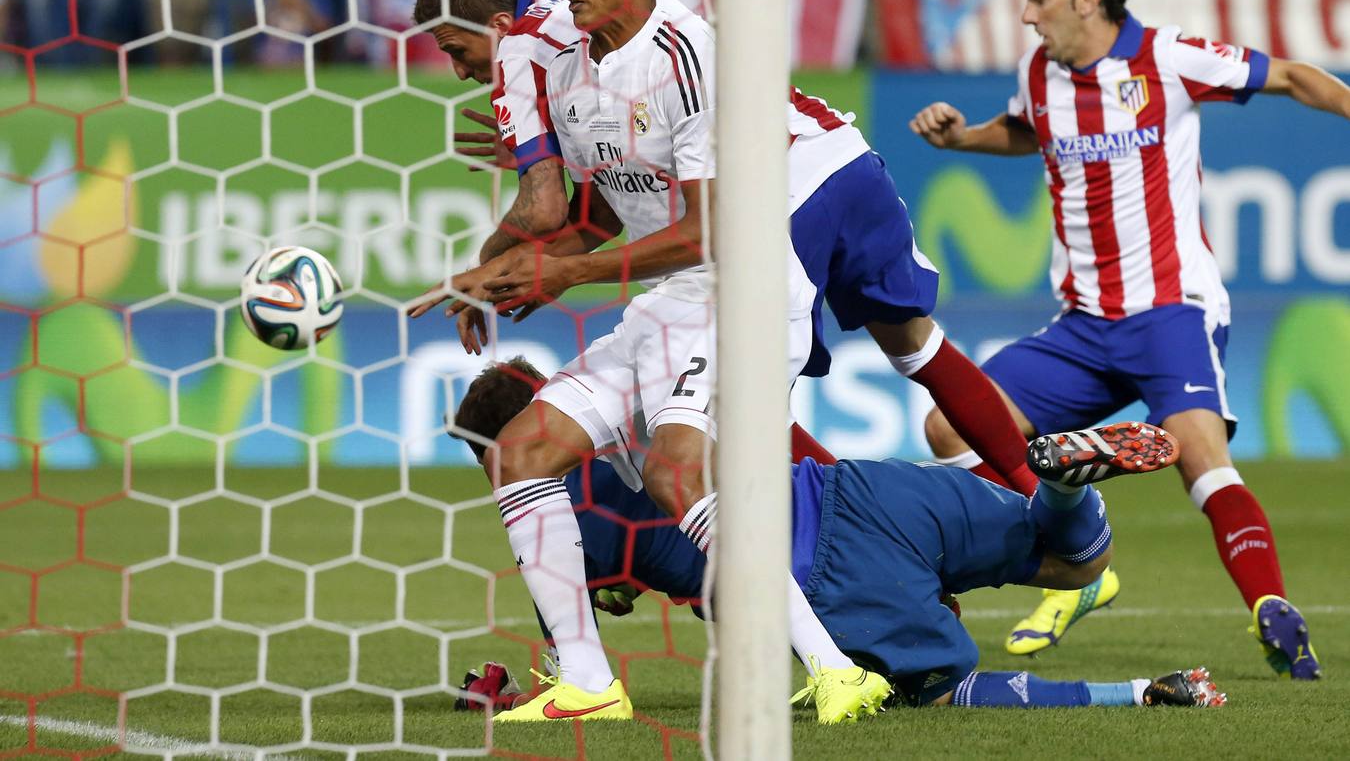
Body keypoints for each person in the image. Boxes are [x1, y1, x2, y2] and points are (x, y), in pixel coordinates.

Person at [410, 0, 892, 725]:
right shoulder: (568, 64)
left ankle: (837, 671)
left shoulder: (688, 55)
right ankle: (588, 684)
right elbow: (608, 209)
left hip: (743, 295)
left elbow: (710, 230)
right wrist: (506, 269)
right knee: (521, 452)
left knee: (674, 472)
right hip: (669, 304)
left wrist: (569, 272)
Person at [910, 0, 1347, 678]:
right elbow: (1025, 130)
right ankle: (1081, 558)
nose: (1026, 14)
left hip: (1172, 311)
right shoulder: (1039, 71)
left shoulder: (1168, 58)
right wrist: (963, 140)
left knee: (1201, 460)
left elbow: (1293, 77)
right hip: (1082, 327)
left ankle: (1271, 607)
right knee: (948, 427)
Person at [452, 358, 1228, 713]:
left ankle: (1140, 694)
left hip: (825, 578)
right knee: (1074, 560)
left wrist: (506, 690)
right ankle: (1062, 481)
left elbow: (580, 659)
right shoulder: (637, 402)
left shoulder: (552, 510)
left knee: (938, 693)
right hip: (859, 488)